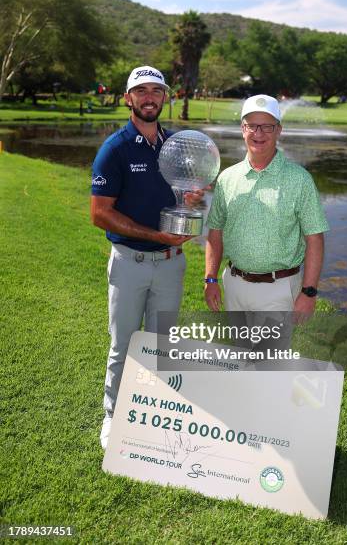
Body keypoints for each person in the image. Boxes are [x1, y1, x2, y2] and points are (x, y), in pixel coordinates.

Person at [91, 65, 200, 449]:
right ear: (128, 99)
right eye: (142, 91)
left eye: (157, 90)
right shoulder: (115, 148)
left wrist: (191, 199)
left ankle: (154, 412)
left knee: (161, 345)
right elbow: (99, 213)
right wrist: (155, 234)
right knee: (123, 344)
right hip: (130, 263)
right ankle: (112, 415)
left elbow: (183, 195)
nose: (150, 96)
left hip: (171, 264)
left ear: (165, 97)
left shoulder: (175, 145)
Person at [205, 94, 329, 319]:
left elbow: (315, 239)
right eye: (252, 125)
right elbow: (215, 232)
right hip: (234, 286)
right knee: (240, 353)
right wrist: (210, 278)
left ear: (279, 130)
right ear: (243, 129)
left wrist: (309, 292)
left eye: (267, 127)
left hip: (279, 289)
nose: (258, 133)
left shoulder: (300, 179)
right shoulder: (227, 178)